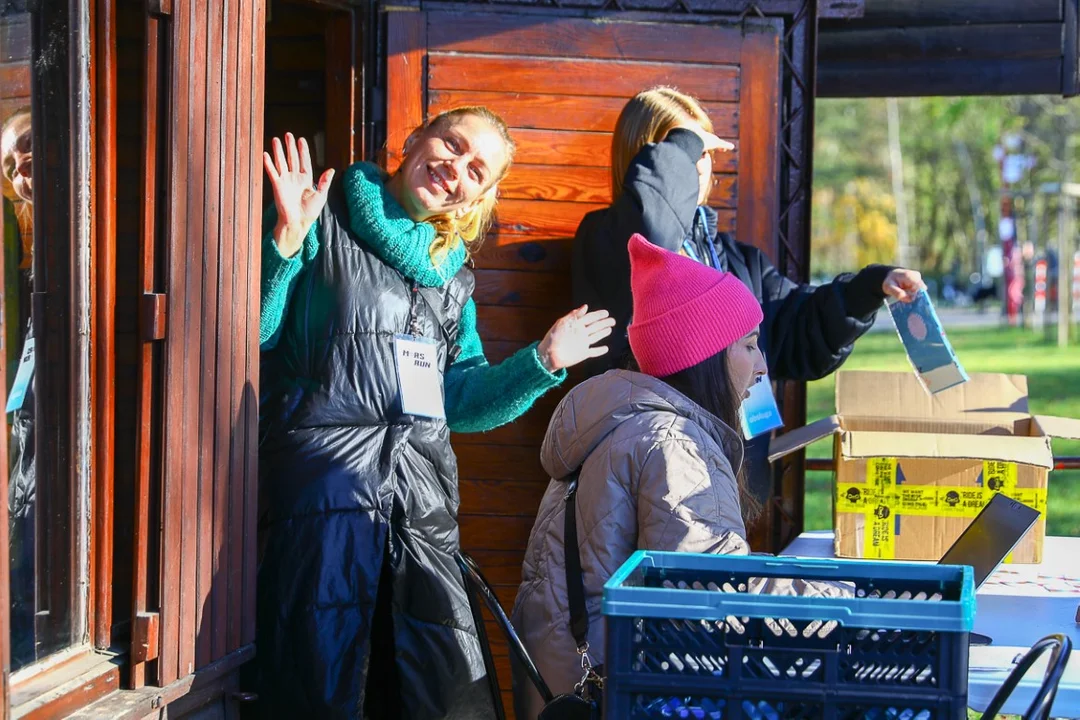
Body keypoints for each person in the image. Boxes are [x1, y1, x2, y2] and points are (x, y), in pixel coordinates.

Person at [256, 106, 615, 719]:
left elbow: (459, 403)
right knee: (318, 696)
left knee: (439, 698)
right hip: (320, 512)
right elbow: (256, 338)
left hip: (419, 515)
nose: (455, 169)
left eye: (476, 169)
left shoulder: (453, 280)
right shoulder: (323, 215)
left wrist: (541, 362)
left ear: (482, 194)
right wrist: (284, 246)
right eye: (451, 145)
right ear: (416, 138)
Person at [511, 234, 850, 718]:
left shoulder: (622, 419)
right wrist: (852, 598)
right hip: (622, 695)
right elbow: (717, 593)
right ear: (706, 356)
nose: (761, 367)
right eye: (750, 346)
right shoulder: (672, 442)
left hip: (567, 684)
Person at [572, 86, 925, 506]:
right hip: (648, 477)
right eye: (685, 149)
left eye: (703, 153)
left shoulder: (736, 262)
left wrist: (869, 288)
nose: (701, 165)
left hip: (724, 481)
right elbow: (652, 230)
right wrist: (685, 142)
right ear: (648, 159)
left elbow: (797, 328)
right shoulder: (609, 242)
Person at [2, 106, 35, 671]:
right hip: (23, 423)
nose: (21, 166)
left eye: (27, 147)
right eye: (10, 163)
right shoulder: (22, 245)